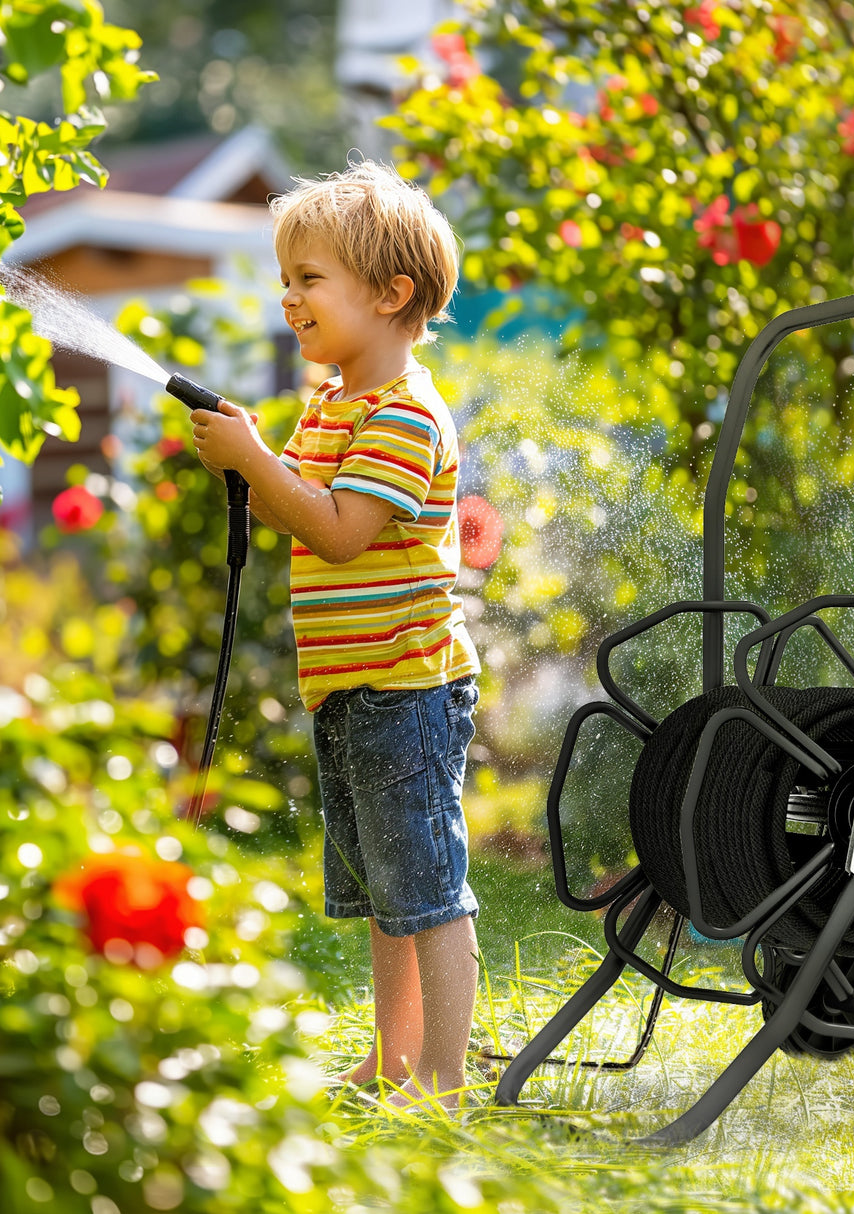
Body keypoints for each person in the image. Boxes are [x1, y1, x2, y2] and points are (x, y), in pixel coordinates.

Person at [190, 161, 481, 1112]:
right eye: (288, 278)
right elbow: (297, 507)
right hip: (352, 685)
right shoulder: (332, 405)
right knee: (379, 884)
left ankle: (445, 1072)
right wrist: (255, 457)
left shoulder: (406, 414)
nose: (290, 297)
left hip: (406, 685)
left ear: (391, 293)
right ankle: (392, 1056)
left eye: (309, 278)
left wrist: (255, 461)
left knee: (426, 887)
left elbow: (337, 529)